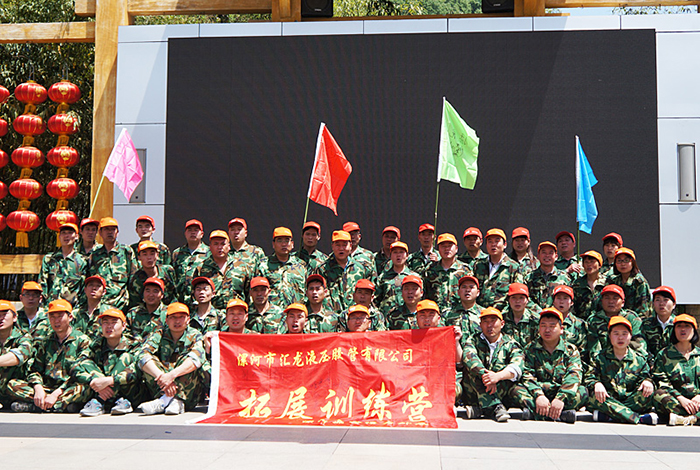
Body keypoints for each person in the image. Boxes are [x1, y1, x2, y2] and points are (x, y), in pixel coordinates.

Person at [8, 299, 91, 413]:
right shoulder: (46, 342)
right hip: (47, 388)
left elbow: (81, 374)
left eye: (60, 316)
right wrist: (38, 388)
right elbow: (35, 370)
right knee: (12, 384)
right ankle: (58, 406)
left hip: (67, 388)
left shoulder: (82, 341)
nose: (56, 321)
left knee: (84, 388)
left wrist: (56, 394)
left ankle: (38, 406)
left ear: (70, 317)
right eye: (52, 317)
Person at [460, 307, 529, 422]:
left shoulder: (510, 343)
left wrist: (497, 376)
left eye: (493, 321)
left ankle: (482, 410)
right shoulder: (474, 340)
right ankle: (495, 407)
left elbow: (517, 365)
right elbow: (469, 357)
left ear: (502, 324)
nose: (489, 325)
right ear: (480, 324)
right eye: (485, 322)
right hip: (476, 390)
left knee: (519, 389)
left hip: (501, 389)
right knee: (473, 372)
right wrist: (486, 375)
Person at [585, 316, 657, 425]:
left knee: (649, 394)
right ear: (609, 336)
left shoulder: (639, 359)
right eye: (616, 334)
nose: (620, 338)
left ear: (630, 336)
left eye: (624, 334)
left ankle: (612, 416)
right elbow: (589, 377)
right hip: (608, 397)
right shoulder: (599, 357)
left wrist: (648, 381)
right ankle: (637, 418)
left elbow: (647, 376)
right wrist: (596, 383)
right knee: (593, 397)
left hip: (629, 400)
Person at [519, 308, 586, 423]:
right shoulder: (530, 349)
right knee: (516, 390)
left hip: (560, 391)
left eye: (552, 326)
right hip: (539, 392)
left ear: (561, 329)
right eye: (543, 326)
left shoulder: (570, 350)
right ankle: (561, 414)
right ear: (538, 328)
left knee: (583, 391)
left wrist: (561, 398)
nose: (547, 330)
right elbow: (526, 374)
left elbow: (574, 374)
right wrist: (539, 395)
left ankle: (537, 413)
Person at [137, 302, 205, 415]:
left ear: (188, 320)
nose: (177, 321)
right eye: (173, 317)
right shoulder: (159, 334)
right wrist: (163, 378)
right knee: (149, 361)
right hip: (162, 387)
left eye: (181, 317)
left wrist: (171, 376)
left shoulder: (195, 335)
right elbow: (142, 355)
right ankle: (165, 399)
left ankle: (174, 400)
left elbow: (197, 358)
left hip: (188, 394)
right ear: (167, 320)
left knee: (188, 360)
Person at [74, 308, 143, 416]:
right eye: (105, 323)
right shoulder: (96, 345)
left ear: (124, 326)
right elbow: (77, 364)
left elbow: (136, 371)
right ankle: (105, 399)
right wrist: (94, 380)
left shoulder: (133, 344)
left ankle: (102, 400)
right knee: (86, 362)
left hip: (129, 394)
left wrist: (110, 380)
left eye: (114, 322)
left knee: (126, 357)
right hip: (100, 389)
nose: (109, 326)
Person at [652, 314, 700, 426]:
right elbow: (662, 382)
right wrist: (680, 398)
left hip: (697, 399)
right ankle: (694, 417)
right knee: (658, 395)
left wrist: (699, 396)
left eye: (687, 326)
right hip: (676, 400)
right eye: (679, 326)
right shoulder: (664, 354)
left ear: (694, 330)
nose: (683, 329)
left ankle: (688, 418)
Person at [315, 230, 377, 312]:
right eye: (338, 245)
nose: (341, 249)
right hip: (332, 316)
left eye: (344, 245)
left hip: (355, 315)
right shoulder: (323, 269)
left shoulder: (360, 269)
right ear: (332, 246)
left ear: (350, 246)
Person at [88, 217, 137, 311]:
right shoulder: (95, 255)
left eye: (113, 229)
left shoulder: (126, 251)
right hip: (100, 306)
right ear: (100, 232)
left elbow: (133, 279)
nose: (110, 232)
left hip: (121, 306)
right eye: (106, 229)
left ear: (117, 231)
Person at [586, 284, 647, 359]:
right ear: (601, 301)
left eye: (615, 298)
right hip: (602, 362)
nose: (611, 301)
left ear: (623, 302)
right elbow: (593, 349)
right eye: (607, 298)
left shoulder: (631, 318)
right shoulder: (594, 320)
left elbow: (639, 346)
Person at [197, 230, 250, 310]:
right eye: (216, 244)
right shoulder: (201, 268)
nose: (219, 247)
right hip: (212, 315)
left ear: (229, 246)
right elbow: (194, 295)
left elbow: (250, 293)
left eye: (223, 244)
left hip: (236, 314)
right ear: (210, 247)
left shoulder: (241, 266)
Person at [254, 227, 307, 308]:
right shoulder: (264, 265)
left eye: (287, 240)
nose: (283, 244)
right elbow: (256, 292)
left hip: (295, 313)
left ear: (292, 244)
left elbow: (307, 293)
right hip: (272, 313)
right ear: (273, 244)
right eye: (279, 240)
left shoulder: (301, 266)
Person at [472, 228, 523, 309]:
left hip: (502, 313)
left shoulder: (513, 267)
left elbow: (517, 294)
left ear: (505, 245)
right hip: (480, 313)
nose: (493, 244)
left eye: (497, 241)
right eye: (490, 242)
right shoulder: (478, 265)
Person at [40, 222, 87, 306]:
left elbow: (84, 288)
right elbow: (42, 284)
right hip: (51, 306)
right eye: (63, 233)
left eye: (70, 233)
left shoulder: (82, 261)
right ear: (59, 236)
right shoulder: (49, 259)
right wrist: (43, 307)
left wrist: (79, 309)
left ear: (76, 236)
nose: (66, 236)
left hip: (72, 308)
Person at [424, 233, 471, 312]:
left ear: (456, 249)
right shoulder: (430, 270)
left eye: (450, 246)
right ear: (438, 249)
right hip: (436, 314)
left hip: (458, 314)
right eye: (443, 246)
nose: (446, 249)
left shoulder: (465, 270)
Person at [0, 300, 34, 409]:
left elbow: (18, 357)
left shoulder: (23, 337)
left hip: (16, 388)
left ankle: (35, 406)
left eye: (4, 314)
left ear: (14, 317)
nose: (1, 318)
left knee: (13, 385)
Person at [127, 240, 178, 310]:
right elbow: (136, 305)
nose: (149, 258)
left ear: (157, 255)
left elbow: (175, 295)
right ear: (139, 257)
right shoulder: (135, 280)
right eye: (145, 254)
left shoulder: (168, 271)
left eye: (152, 254)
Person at [171, 219, 210, 306]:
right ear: (185, 233)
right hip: (180, 301)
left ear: (202, 234)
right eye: (190, 230)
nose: (193, 233)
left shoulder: (209, 253)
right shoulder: (177, 253)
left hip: (200, 301)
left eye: (196, 230)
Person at [605, 247, 652, 318]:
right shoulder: (613, 280)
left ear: (632, 262)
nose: (623, 264)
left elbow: (642, 311)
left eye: (626, 260)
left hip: (635, 319)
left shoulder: (639, 281)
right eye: (619, 261)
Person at [375, 241, 419, 316]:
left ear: (407, 256)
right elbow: (375, 300)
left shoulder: (415, 277)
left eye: (401, 252)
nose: (398, 255)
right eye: (395, 252)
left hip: (407, 319)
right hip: (386, 319)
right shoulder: (382, 278)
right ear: (391, 256)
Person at [525, 241, 571, 309]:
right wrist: (538, 312)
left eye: (550, 253)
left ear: (556, 257)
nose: (547, 256)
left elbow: (568, 301)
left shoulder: (565, 278)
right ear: (538, 256)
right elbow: (525, 299)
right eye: (544, 252)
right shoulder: (529, 277)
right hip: (534, 314)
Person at [642, 286, 677, 363]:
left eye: (665, 300)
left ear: (674, 304)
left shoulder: (679, 325)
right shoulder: (646, 325)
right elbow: (643, 348)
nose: (661, 303)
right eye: (658, 300)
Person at [550, 285, 588, 354]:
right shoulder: (545, 322)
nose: (561, 301)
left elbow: (582, 351)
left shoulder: (579, 324)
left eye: (565, 298)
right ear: (553, 302)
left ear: (571, 303)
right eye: (558, 298)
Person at [444, 275, 483, 339]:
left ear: (478, 292)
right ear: (458, 292)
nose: (467, 290)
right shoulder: (447, 314)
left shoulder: (484, 314)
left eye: (471, 287)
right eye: (464, 287)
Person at [500, 283, 539, 347]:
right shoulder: (501, 319)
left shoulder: (535, 320)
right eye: (514, 298)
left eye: (521, 298)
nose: (517, 301)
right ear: (509, 300)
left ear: (527, 300)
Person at [571, 250, 606, 319]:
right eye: (586, 262)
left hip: (602, 322)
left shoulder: (607, 282)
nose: (589, 265)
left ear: (599, 265)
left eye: (592, 262)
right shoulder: (577, 284)